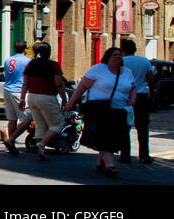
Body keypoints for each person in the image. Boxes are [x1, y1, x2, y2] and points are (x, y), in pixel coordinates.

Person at [66, 46, 137, 178]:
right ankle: (110, 165)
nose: (118, 57)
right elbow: (82, 87)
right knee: (105, 136)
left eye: (119, 55)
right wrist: (71, 103)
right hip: (99, 109)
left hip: (120, 110)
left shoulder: (126, 71)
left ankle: (101, 161)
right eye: (114, 55)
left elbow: (133, 87)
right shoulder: (98, 69)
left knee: (112, 137)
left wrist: (132, 99)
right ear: (108, 57)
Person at [17, 42, 68, 160]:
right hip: (47, 97)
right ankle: (42, 144)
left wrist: (22, 99)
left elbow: (25, 83)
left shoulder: (31, 65)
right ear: (49, 52)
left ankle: (41, 150)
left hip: (32, 97)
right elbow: (59, 84)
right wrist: (64, 99)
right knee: (57, 124)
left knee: (40, 125)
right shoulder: (53, 65)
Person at [119, 39, 155, 164]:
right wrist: (151, 92)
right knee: (143, 127)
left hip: (125, 96)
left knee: (124, 126)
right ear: (134, 49)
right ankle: (144, 155)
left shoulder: (121, 61)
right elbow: (150, 78)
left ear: (122, 50)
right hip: (141, 95)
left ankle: (125, 155)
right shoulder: (144, 61)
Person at [0, 41, 33, 152]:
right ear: (25, 50)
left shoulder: (8, 60)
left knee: (12, 119)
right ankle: (11, 139)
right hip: (18, 91)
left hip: (7, 90)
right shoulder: (27, 61)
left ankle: (11, 145)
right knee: (27, 119)